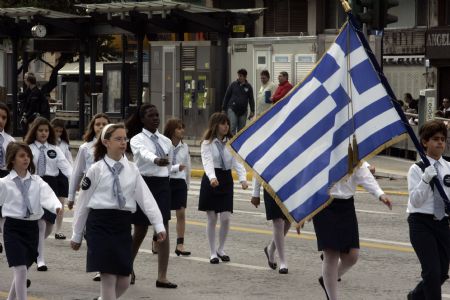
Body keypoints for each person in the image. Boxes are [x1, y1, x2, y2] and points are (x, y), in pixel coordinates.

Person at [71, 123, 166, 300]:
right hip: (99, 225)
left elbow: (146, 199)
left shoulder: (132, 169)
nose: (123, 143)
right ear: (106, 142)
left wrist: (158, 224)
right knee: (108, 278)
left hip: (122, 225)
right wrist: (77, 234)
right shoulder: (95, 169)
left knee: (124, 279)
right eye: (118, 139)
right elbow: (83, 203)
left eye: (125, 139)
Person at [313, 161, 392, 300]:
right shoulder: (320, 146)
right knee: (331, 254)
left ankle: (328, 279)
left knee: (352, 256)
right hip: (323, 204)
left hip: (346, 206)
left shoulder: (352, 149)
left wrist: (380, 194)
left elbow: (363, 174)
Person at [0, 141, 61, 300]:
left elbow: (48, 195)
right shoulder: (4, 183)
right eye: (21, 156)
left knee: (23, 269)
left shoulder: (37, 181)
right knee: (20, 269)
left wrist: (56, 206)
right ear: (12, 159)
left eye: (28, 156)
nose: (26, 159)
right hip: (12, 228)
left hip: (31, 229)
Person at [126, 103, 177, 288]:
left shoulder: (166, 141)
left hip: (162, 185)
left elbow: (170, 166)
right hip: (143, 184)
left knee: (163, 229)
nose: (155, 118)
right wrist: (156, 160)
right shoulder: (136, 139)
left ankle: (162, 276)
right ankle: (127, 267)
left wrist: (169, 172)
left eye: (157, 115)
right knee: (140, 230)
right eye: (151, 115)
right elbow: (144, 154)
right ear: (142, 119)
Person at [406, 120, 450, 300]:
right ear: (424, 142)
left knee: (441, 273)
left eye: (443, 139)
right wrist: (425, 180)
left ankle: (415, 297)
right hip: (421, 223)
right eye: (435, 139)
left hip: (442, 223)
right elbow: (415, 201)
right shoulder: (416, 169)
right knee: (431, 273)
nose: (440, 142)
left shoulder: (448, 166)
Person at [198, 112, 248, 264]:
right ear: (215, 125)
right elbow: (207, 162)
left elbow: (238, 162)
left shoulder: (231, 142)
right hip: (211, 179)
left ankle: (221, 248)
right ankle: (213, 252)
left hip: (226, 179)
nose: (226, 126)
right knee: (212, 218)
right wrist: (212, 178)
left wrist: (243, 179)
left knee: (225, 218)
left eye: (227, 123)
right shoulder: (207, 143)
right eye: (223, 123)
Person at [24, 117, 72, 271]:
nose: (43, 133)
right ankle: (40, 259)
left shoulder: (55, 149)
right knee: (41, 223)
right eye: (40, 130)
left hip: (51, 185)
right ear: (35, 131)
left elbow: (66, 167)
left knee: (49, 225)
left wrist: (77, 182)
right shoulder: (28, 148)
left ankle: (32, 245)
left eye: (46, 130)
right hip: (35, 184)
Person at [68, 113, 109, 281]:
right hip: (89, 192)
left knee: (106, 231)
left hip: (107, 194)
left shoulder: (112, 145)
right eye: (97, 124)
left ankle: (107, 265)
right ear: (93, 127)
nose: (100, 127)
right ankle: (99, 266)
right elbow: (77, 172)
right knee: (91, 232)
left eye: (103, 124)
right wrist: (71, 196)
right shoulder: (86, 148)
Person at [163, 118, 192, 256]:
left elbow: (188, 167)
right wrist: (175, 167)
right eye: (179, 128)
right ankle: (156, 240)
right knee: (163, 215)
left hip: (180, 182)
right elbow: (163, 167)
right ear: (172, 130)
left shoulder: (185, 147)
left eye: (182, 128)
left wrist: (187, 184)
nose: (182, 131)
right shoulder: (163, 145)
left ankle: (180, 244)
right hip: (166, 181)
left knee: (181, 213)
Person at [50, 118, 73, 240]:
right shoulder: (47, 143)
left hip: (62, 175)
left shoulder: (64, 144)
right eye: (56, 130)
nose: (58, 133)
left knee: (60, 203)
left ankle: (58, 230)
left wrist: (73, 176)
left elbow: (69, 160)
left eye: (60, 131)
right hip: (50, 174)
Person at [0, 102, 15, 255]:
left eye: (4, 117)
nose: (1, 120)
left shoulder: (10, 140)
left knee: (4, 211)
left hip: (4, 175)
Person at [222, 69, 255, 134]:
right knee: (232, 127)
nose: (238, 77)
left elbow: (251, 99)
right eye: (238, 75)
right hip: (232, 109)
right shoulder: (233, 85)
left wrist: (252, 111)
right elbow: (226, 96)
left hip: (243, 111)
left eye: (240, 76)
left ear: (245, 77)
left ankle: (239, 144)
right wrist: (223, 108)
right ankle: (231, 143)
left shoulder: (249, 87)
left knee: (241, 130)